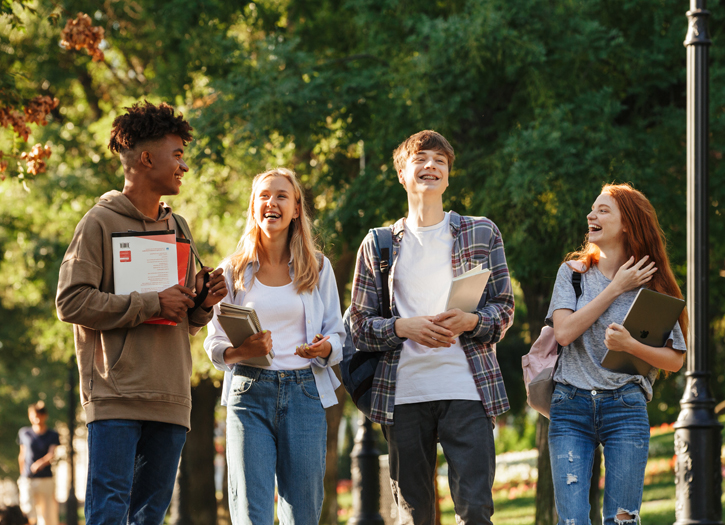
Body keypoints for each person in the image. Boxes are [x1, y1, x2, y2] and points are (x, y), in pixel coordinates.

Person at [55, 101, 227, 525]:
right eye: (177, 155)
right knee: (108, 515)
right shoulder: (98, 223)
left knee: (149, 518)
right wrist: (151, 302)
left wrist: (203, 300)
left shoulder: (179, 227)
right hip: (116, 397)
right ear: (147, 158)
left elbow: (186, 318)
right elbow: (71, 301)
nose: (183, 165)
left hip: (171, 396)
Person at [349, 130, 515, 524]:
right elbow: (358, 326)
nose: (432, 166)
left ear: (448, 175)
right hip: (403, 394)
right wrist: (403, 327)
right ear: (403, 175)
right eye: (422, 159)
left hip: (468, 390)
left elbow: (504, 308)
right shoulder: (378, 244)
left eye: (440, 161)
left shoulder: (481, 232)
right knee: (413, 514)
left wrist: (471, 320)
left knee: (476, 510)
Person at [204, 168, 345, 524]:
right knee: (252, 513)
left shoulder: (318, 268)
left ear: (297, 209)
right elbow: (214, 341)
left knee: (303, 513)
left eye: (281, 196)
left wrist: (322, 349)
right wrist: (242, 351)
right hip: (249, 392)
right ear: (253, 208)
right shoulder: (233, 271)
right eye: (264, 196)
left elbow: (338, 335)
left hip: (305, 395)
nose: (272, 202)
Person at [546, 183, 687, 524]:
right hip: (570, 406)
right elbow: (563, 333)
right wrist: (615, 289)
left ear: (628, 224)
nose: (590, 215)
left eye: (603, 210)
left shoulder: (651, 284)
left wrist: (630, 346)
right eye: (592, 210)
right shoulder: (573, 274)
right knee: (572, 520)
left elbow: (675, 359)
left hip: (626, 408)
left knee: (623, 521)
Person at [16, 402, 59, 525]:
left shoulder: (52, 435)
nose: (36, 418)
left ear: (44, 416)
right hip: (27, 479)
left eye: (39, 415)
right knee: (27, 513)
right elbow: (22, 455)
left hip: (45, 479)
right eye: (33, 415)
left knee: (46, 516)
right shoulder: (24, 433)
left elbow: (51, 454)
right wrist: (22, 475)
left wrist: (39, 463)